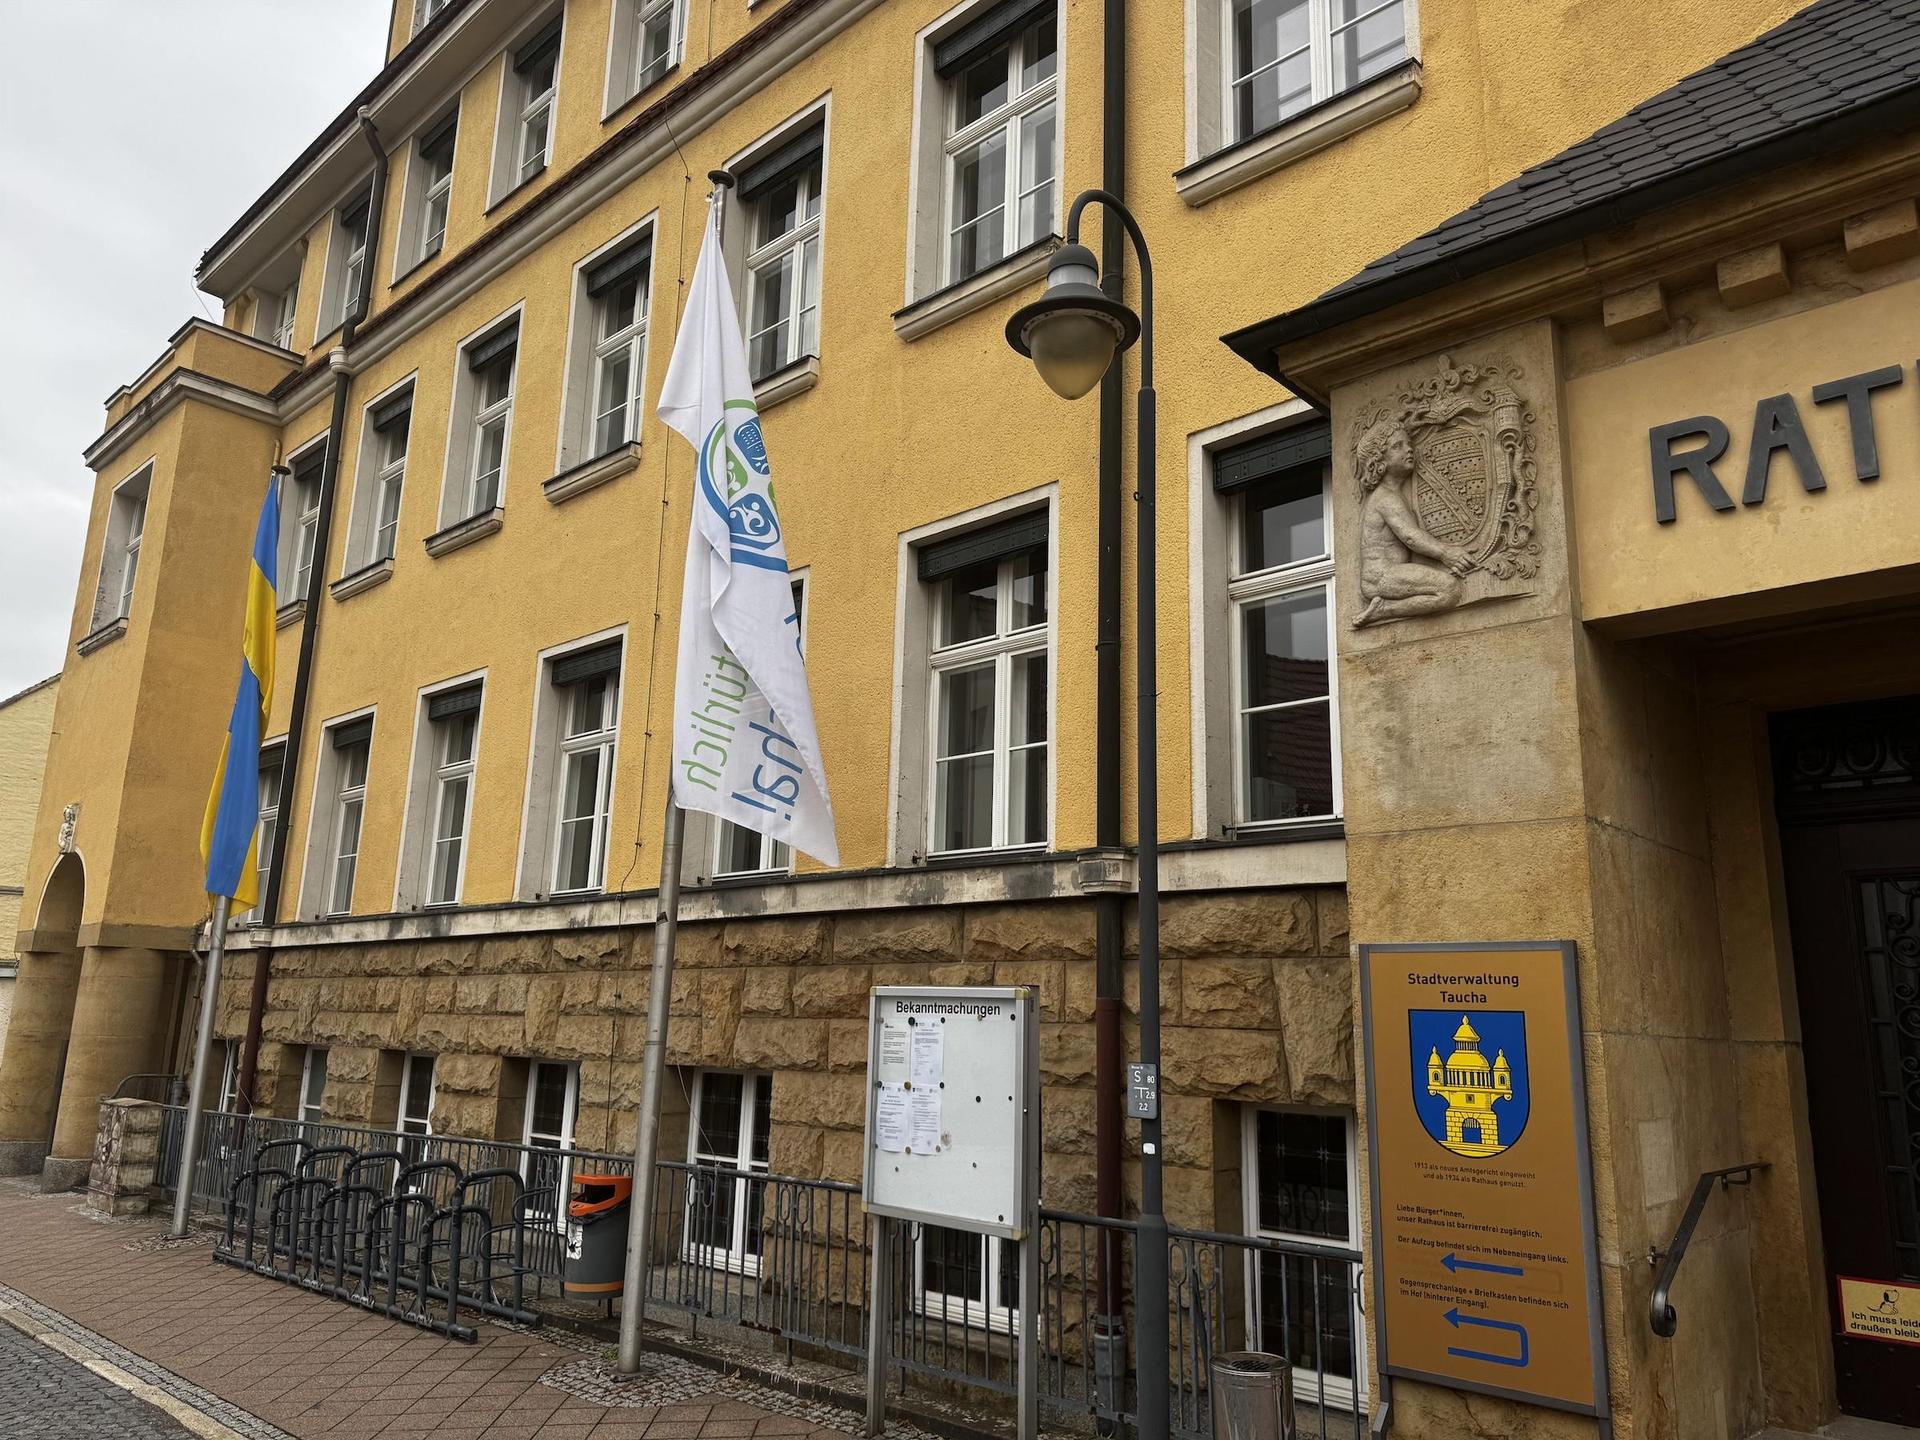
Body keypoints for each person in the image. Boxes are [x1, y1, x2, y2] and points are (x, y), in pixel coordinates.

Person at [1353, 418, 1474, 627]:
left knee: (1445, 586)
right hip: (1381, 576)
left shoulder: (1394, 494)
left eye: (1408, 443)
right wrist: (1446, 553)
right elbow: (1411, 537)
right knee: (1450, 589)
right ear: (1379, 462)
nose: (1409, 449)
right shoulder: (1385, 498)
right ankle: (1384, 609)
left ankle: (1384, 608)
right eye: (1397, 446)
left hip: (1392, 573)